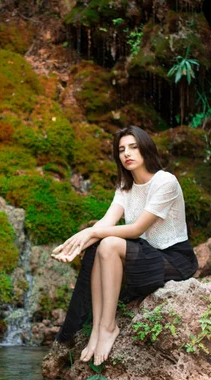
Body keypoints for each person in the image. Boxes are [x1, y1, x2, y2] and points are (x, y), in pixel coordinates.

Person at [51, 125, 198, 366]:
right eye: (121, 150)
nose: (127, 154)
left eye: (133, 147)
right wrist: (77, 244)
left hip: (173, 259)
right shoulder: (125, 186)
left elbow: (136, 229)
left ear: (146, 149)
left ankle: (109, 326)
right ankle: (98, 328)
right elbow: (106, 222)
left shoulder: (165, 181)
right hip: (145, 253)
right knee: (98, 246)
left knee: (107, 244)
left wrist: (92, 232)